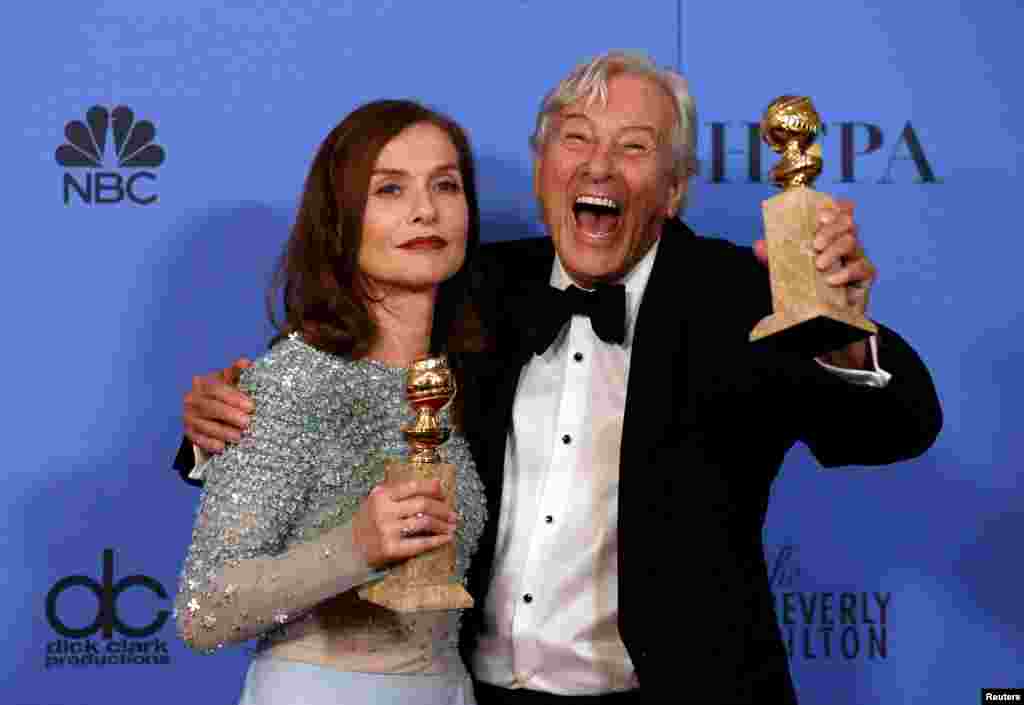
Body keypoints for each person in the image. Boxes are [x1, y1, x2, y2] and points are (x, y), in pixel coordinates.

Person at [176, 52, 942, 704]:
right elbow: (340, 377)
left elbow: (895, 428)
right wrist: (220, 424)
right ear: (544, 171)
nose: (599, 165)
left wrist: (842, 335)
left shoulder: (737, 297)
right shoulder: (472, 287)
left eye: (635, 147)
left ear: (674, 190)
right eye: (576, 140)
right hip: (477, 692)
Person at [174, 99, 491, 705]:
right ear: (340, 218)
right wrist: (356, 548)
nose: (425, 210)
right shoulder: (291, 382)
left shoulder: (461, 379)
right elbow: (203, 611)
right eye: (390, 190)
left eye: (445, 186)